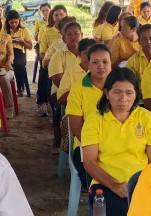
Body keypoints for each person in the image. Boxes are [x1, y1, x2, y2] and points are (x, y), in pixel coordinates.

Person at [82, 67, 151, 215]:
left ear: (136, 94)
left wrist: (147, 185)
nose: (123, 99)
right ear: (107, 93)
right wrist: (114, 185)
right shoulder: (94, 120)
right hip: (105, 184)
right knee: (119, 209)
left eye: (129, 93)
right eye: (117, 92)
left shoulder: (147, 118)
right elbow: (89, 162)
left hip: (142, 183)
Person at [65, 43, 111, 189]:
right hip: (86, 145)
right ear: (88, 64)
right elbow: (76, 126)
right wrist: (94, 146)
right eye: (95, 62)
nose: (101, 66)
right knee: (97, 182)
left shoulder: (119, 86)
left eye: (105, 62)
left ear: (111, 63)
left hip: (116, 144)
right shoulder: (78, 88)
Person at [49, 22, 83, 155]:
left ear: (82, 35)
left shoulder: (87, 55)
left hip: (84, 93)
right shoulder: (58, 55)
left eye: (76, 34)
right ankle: (57, 143)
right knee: (59, 110)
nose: (73, 37)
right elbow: (57, 79)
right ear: (64, 38)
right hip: (60, 91)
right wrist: (78, 94)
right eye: (69, 34)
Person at [57, 38, 96, 105]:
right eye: (86, 53)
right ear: (79, 54)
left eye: (93, 53)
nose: (90, 57)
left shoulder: (101, 72)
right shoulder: (70, 72)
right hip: (76, 111)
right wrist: (83, 92)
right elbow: (61, 99)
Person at [5, 10, 32, 97]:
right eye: (11, 23)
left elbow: (30, 46)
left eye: (16, 22)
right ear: (7, 21)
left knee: (18, 65)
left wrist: (22, 42)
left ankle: (20, 87)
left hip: (18, 52)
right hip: (6, 52)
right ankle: (8, 89)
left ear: (19, 20)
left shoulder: (23, 30)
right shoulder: (4, 30)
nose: (14, 25)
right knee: (5, 64)